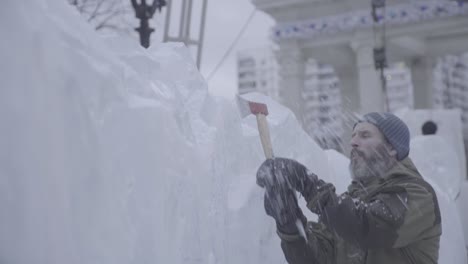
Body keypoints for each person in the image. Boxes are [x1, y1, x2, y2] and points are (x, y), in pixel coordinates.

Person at [256, 112, 441, 264]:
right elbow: (317, 259)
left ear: (392, 148)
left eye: (365, 135)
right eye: (353, 136)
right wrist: (289, 221)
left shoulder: (416, 194)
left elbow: (366, 227)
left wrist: (307, 182)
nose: (353, 142)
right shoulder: (350, 203)